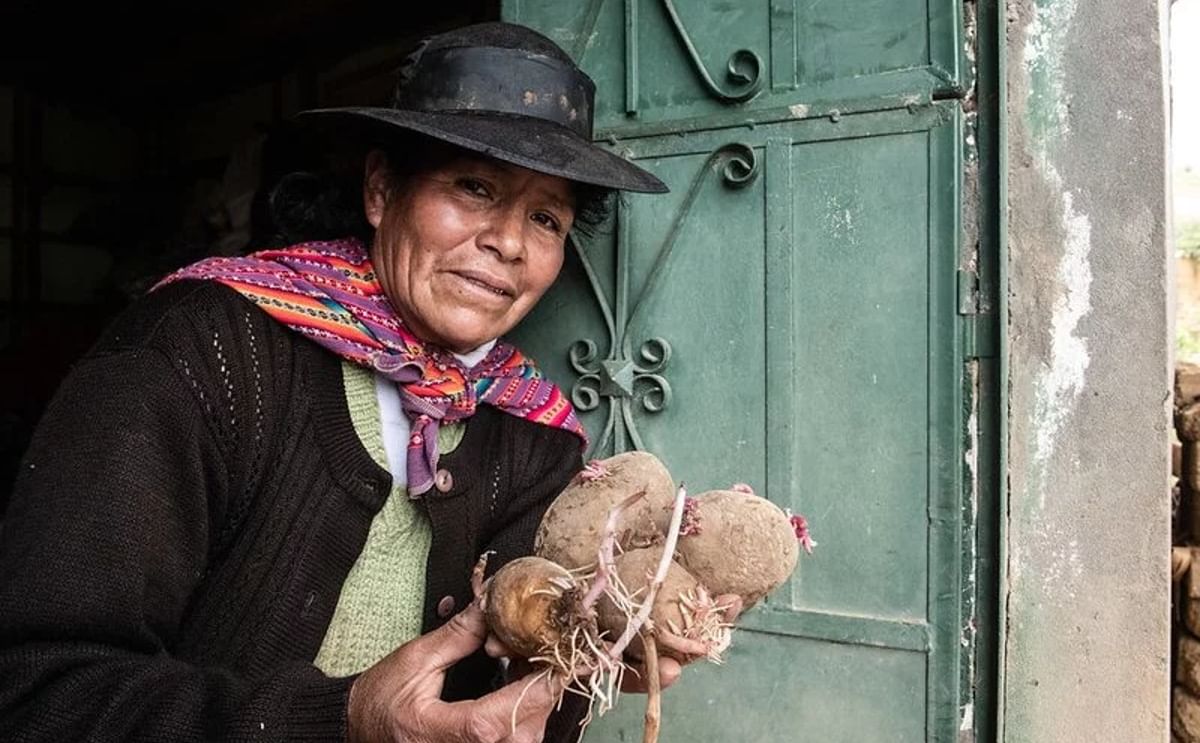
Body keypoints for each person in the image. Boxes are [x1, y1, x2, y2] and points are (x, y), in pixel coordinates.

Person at [0, 21, 722, 743]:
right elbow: (38, 689)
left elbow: (509, 708)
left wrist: (588, 652)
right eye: (474, 188)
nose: (508, 242)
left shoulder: (531, 429)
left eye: (545, 217)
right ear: (381, 189)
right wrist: (341, 720)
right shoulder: (203, 350)